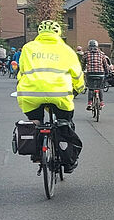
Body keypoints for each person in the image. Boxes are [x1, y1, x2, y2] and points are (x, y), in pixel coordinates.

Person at [16, 20, 85, 173]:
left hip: (31, 94)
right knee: (65, 122)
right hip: (59, 94)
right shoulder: (66, 50)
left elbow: (22, 71)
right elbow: (77, 74)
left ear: (40, 33)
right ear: (58, 33)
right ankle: (68, 161)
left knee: (35, 121)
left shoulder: (28, 48)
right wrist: (79, 88)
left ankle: (37, 153)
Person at [82, 40, 112, 110]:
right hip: (100, 73)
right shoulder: (101, 54)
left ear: (89, 46)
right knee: (100, 87)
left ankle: (89, 103)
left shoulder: (86, 54)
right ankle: (101, 102)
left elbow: (82, 63)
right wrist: (107, 72)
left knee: (91, 88)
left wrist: (82, 69)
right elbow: (105, 65)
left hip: (90, 73)